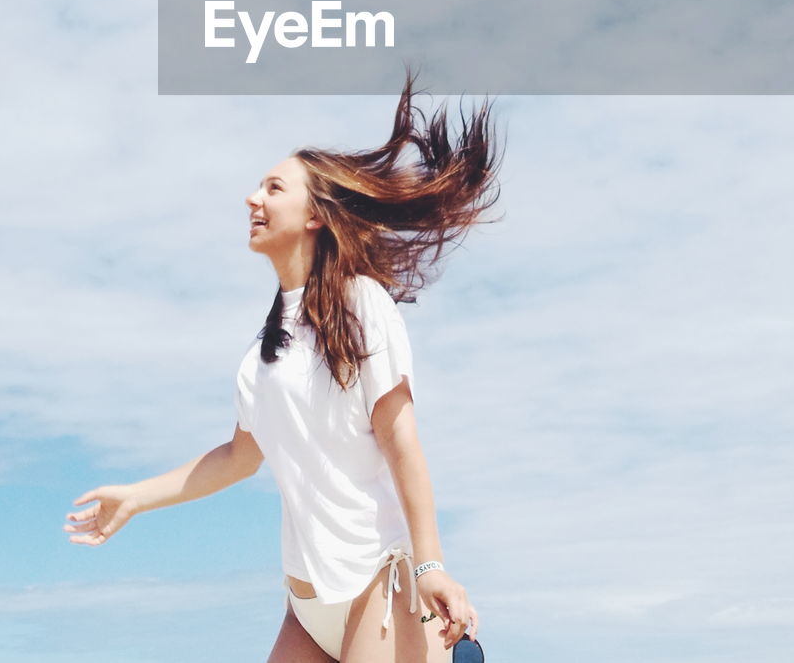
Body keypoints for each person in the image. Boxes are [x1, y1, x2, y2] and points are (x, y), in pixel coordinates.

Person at [63, 74, 501, 661]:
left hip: (379, 578)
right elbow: (239, 457)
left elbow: (401, 441)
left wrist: (431, 565)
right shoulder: (260, 357)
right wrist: (138, 498)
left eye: (273, 187)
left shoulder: (361, 305)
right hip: (305, 604)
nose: (253, 199)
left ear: (317, 214)